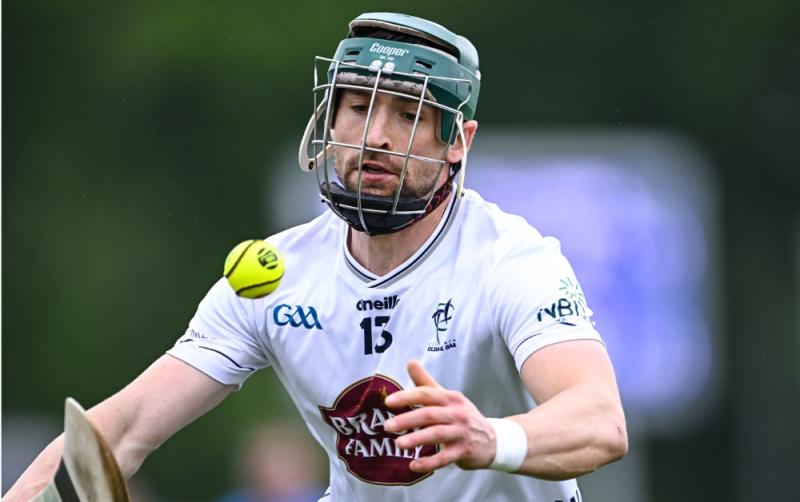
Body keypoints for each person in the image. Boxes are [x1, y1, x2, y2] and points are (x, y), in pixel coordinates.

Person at [6, 12, 627, 501]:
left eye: (408, 115)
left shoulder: (509, 260)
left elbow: (600, 419)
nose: (376, 135)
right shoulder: (275, 279)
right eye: (358, 107)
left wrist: (491, 437)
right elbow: (116, 434)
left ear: (458, 144)